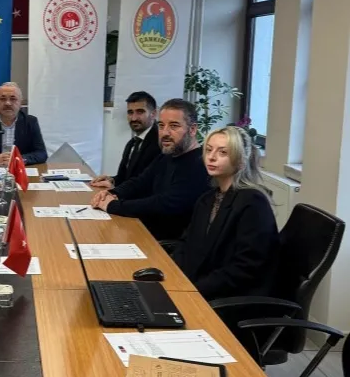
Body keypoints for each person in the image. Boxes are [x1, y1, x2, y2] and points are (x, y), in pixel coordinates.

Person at [172, 126, 280, 301]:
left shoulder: (253, 202)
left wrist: (194, 290)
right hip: (198, 287)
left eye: (223, 152)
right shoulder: (207, 199)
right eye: (209, 150)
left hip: (232, 299)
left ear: (240, 161)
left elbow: (245, 268)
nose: (212, 157)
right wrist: (173, 275)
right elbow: (186, 243)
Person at [91, 98, 210, 240]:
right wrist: (112, 193)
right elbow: (140, 182)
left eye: (173, 126)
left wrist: (114, 205)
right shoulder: (166, 156)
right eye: (161, 125)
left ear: (192, 129)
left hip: (169, 243)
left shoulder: (200, 164)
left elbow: (164, 204)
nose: (165, 133)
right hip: (146, 231)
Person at [91, 91, 160, 188]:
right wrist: (112, 180)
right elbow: (125, 177)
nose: (134, 118)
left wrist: (116, 190)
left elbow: (148, 183)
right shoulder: (132, 143)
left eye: (140, 112)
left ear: (153, 114)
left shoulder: (160, 143)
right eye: (130, 112)